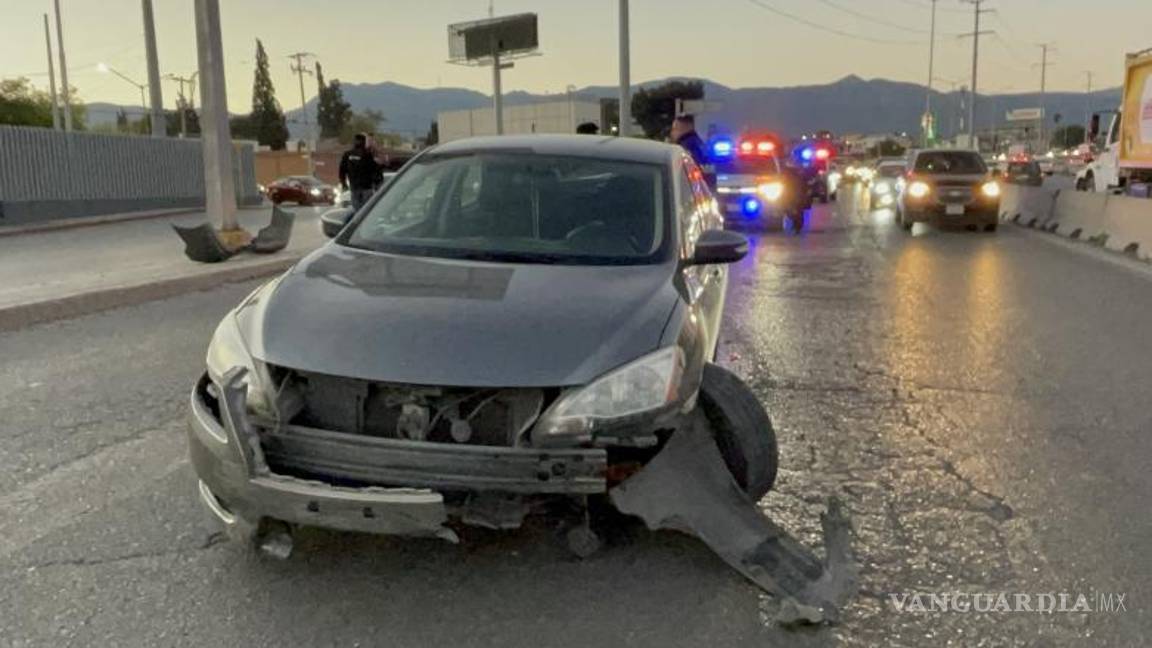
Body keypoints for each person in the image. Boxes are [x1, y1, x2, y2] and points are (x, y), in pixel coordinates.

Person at [339, 133, 380, 211]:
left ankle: (358, 219)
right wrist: (376, 183)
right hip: (366, 187)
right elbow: (374, 170)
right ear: (364, 142)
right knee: (366, 210)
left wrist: (344, 184)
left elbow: (342, 171)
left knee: (357, 209)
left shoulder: (348, 154)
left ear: (354, 142)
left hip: (355, 187)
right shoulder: (368, 155)